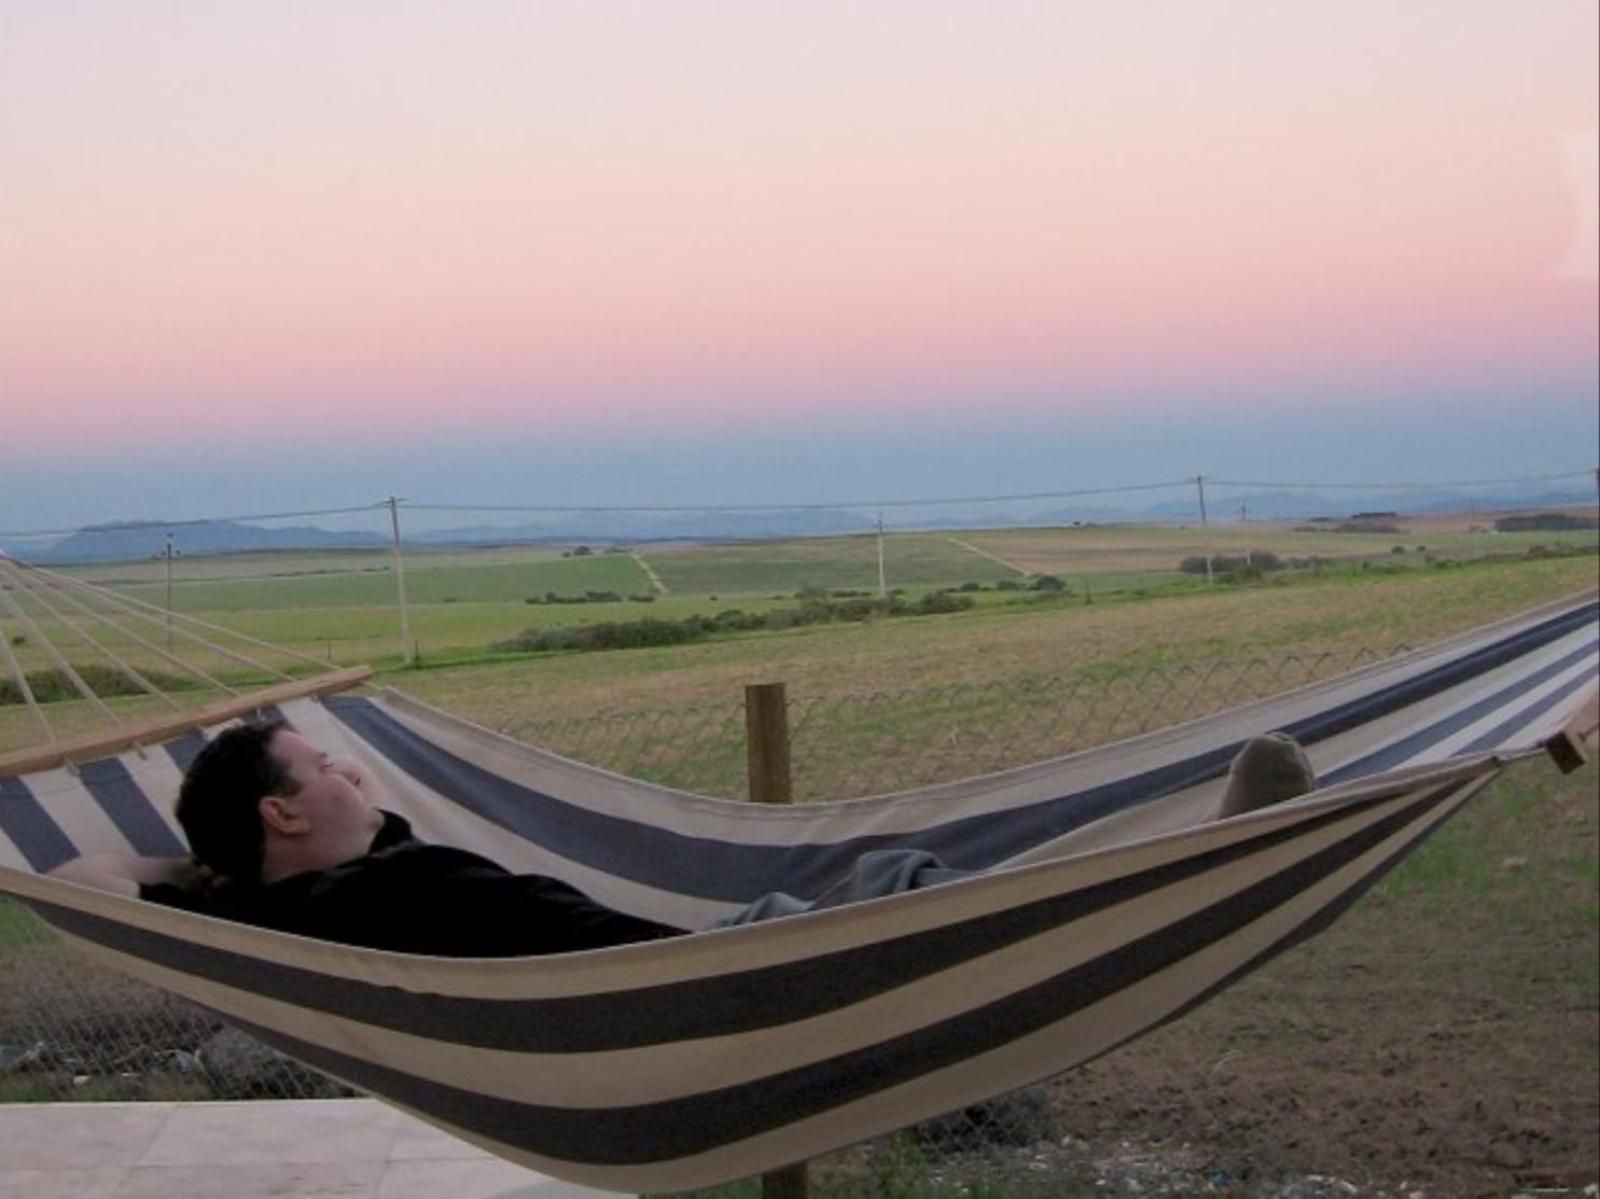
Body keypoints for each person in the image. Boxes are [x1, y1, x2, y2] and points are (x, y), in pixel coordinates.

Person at [50, 720, 1316, 956]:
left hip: (711, 964)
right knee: (896, 887)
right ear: (280, 809)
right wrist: (204, 872)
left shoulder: (277, 907)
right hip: (700, 983)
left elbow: (108, 872)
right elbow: (81, 874)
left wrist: (196, 870)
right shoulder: (316, 914)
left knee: (894, 878)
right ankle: (1192, 864)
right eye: (328, 760)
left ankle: (1176, 867)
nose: (354, 765)